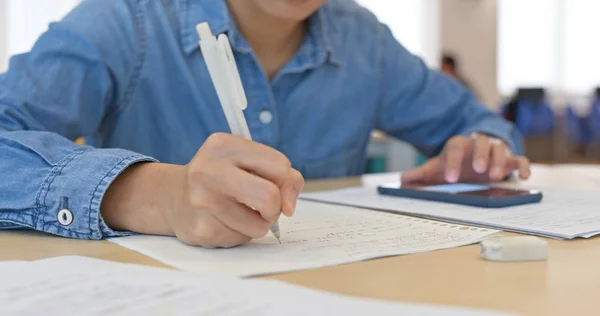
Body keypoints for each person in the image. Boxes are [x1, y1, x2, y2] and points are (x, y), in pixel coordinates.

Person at [0, 0, 530, 248]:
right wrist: (154, 195)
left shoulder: (364, 39)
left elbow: (480, 123)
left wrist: (481, 148)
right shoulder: (125, 22)